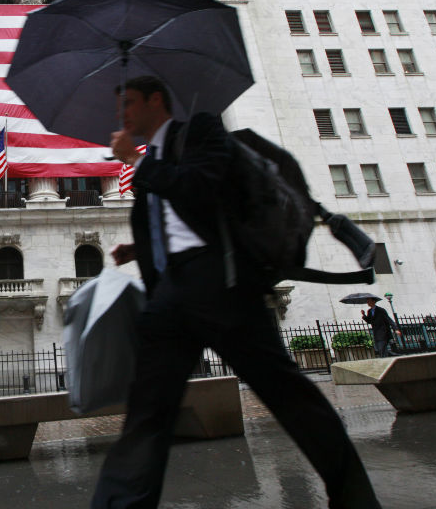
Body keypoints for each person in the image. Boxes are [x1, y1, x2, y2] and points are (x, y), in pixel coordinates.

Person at [94, 76, 381, 509]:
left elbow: (201, 190)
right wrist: (140, 247)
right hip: (170, 294)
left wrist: (137, 163)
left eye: (130, 103)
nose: (124, 115)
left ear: (157, 99)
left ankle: (355, 497)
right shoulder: (151, 157)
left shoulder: (201, 131)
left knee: (286, 393)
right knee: (147, 411)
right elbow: (180, 217)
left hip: (221, 283)